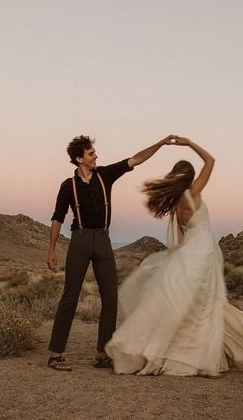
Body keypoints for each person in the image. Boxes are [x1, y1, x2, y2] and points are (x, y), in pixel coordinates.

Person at [105, 137, 243, 376]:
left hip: (190, 254)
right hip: (204, 253)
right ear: (190, 178)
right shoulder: (193, 192)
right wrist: (188, 143)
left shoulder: (176, 204)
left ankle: (183, 353)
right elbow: (210, 160)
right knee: (209, 308)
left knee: (195, 308)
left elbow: (179, 238)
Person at [46, 134, 178, 371]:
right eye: (90, 153)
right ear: (79, 158)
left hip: (104, 240)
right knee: (70, 296)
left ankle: (102, 353)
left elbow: (136, 159)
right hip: (81, 239)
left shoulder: (105, 175)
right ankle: (55, 354)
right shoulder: (68, 186)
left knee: (110, 296)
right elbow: (57, 218)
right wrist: (51, 250)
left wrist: (159, 143)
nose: (96, 156)